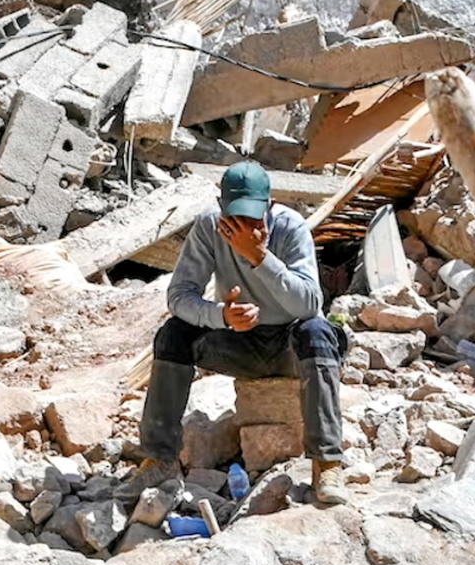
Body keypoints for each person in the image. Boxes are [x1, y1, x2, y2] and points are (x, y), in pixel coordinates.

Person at [134, 161, 348, 504]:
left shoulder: (291, 228)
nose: (245, 226)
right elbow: (179, 296)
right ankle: (158, 458)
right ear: (221, 208)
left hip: (289, 346)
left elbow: (309, 303)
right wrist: (221, 316)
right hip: (237, 344)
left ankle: (326, 464)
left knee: (318, 330)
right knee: (173, 334)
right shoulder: (208, 228)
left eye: (253, 216)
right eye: (235, 217)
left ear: (270, 205)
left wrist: (260, 258)